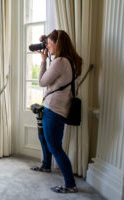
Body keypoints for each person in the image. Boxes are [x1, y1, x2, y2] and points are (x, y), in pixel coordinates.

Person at [31, 30, 82, 193]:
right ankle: (46, 165)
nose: (48, 47)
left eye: (50, 44)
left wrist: (44, 61)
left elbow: (42, 82)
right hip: (58, 108)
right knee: (44, 138)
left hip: (54, 109)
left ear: (58, 44)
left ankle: (70, 184)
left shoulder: (60, 62)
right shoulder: (70, 61)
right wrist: (47, 39)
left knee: (55, 147)